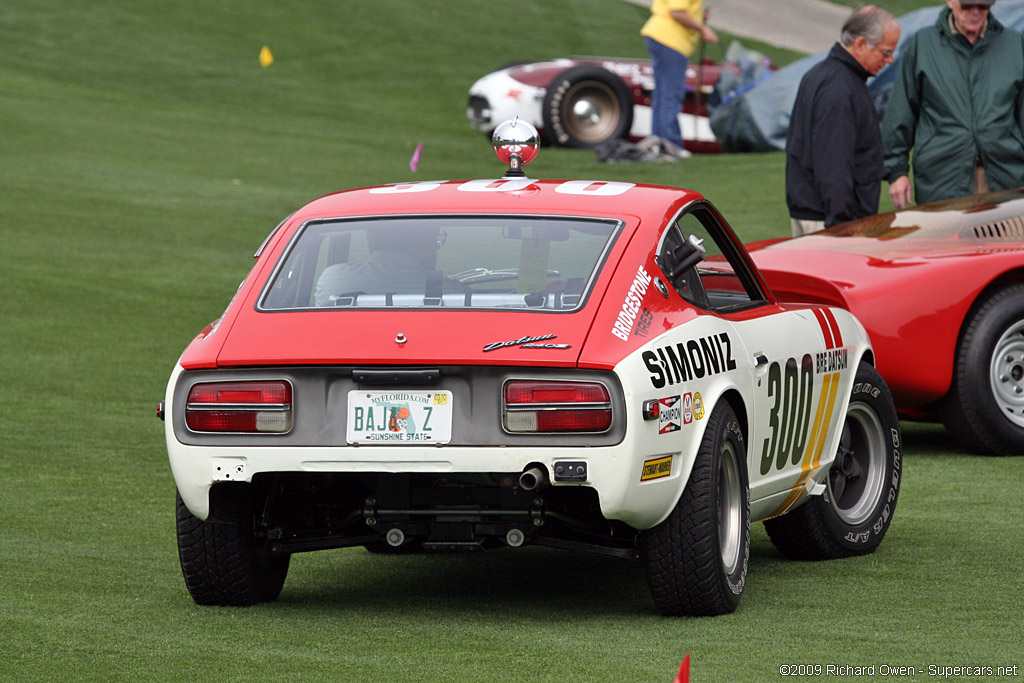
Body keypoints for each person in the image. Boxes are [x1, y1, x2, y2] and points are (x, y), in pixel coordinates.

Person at [883, 0, 1024, 209]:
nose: (975, 12)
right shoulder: (923, 44)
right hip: (942, 180)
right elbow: (900, 111)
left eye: (983, 6)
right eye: (967, 6)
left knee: (1003, 242)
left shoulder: (1014, 44)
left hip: (1005, 179)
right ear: (950, 2)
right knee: (945, 241)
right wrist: (897, 172)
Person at [785, 5, 901, 236]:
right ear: (859, 44)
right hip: (832, 223)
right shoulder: (841, 89)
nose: (889, 61)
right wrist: (843, 228)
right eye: (885, 52)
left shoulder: (822, 74)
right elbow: (834, 165)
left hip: (815, 213)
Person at [641, 0, 718, 156]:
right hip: (671, 40)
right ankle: (672, 145)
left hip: (662, 36)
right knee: (671, 93)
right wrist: (702, 28)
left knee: (662, 93)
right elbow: (677, 12)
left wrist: (697, 18)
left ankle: (659, 141)